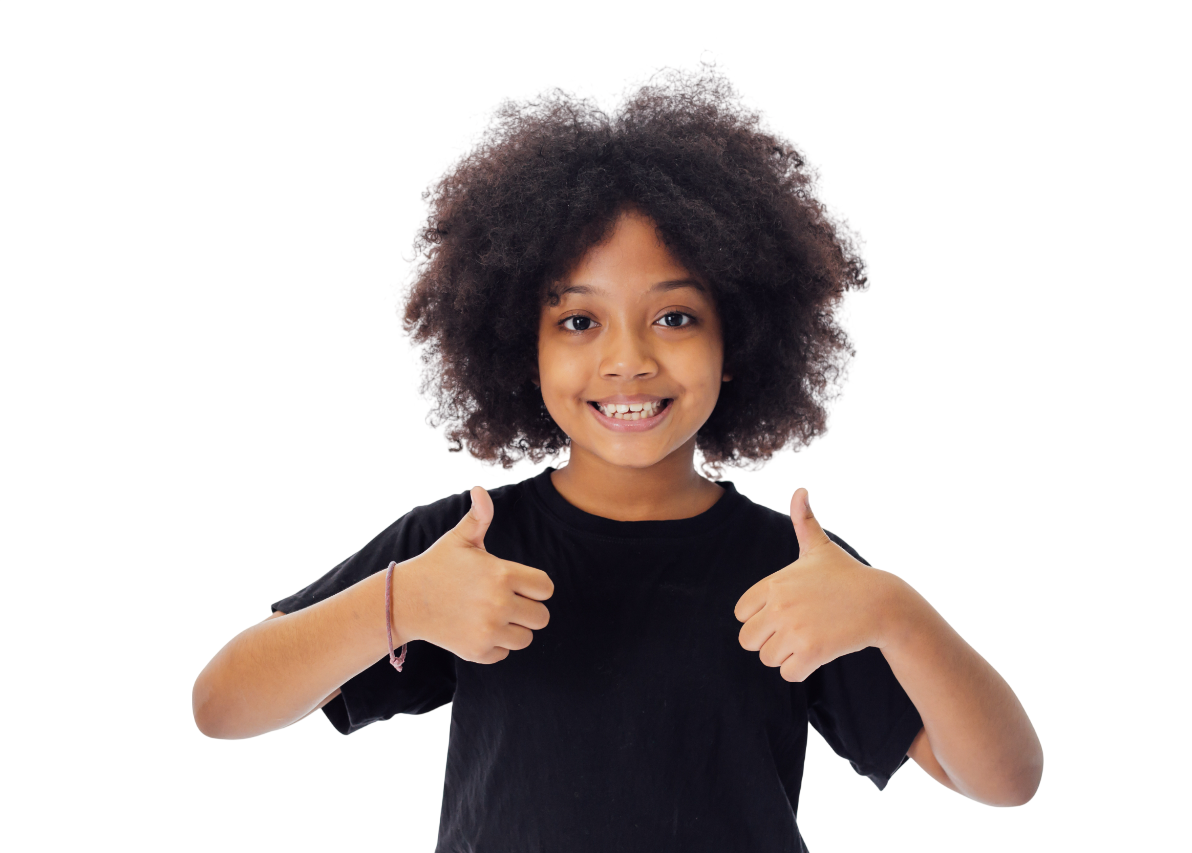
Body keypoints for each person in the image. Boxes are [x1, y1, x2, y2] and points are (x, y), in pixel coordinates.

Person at [192, 60, 1041, 852]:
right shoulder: (464, 547)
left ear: (736, 338)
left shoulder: (795, 571)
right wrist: (400, 600)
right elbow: (222, 705)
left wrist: (896, 610)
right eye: (578, 320)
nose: (627, 359)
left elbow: (1005, 780)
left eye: (674, 317)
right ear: (520, 345)